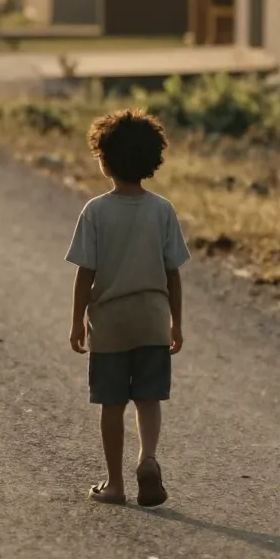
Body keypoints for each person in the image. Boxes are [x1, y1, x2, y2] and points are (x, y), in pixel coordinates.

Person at [65, 108, 188, 508]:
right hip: (153, 319)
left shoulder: (96, 211)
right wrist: (176, 324)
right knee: (148, 398)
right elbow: (173, 274)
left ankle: (115, 484)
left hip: (111, 322)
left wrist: (76, 323)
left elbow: (86, 273)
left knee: (112, 404)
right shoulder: (162, 210)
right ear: (152, 160)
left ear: (104, 160)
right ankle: (147, 458)